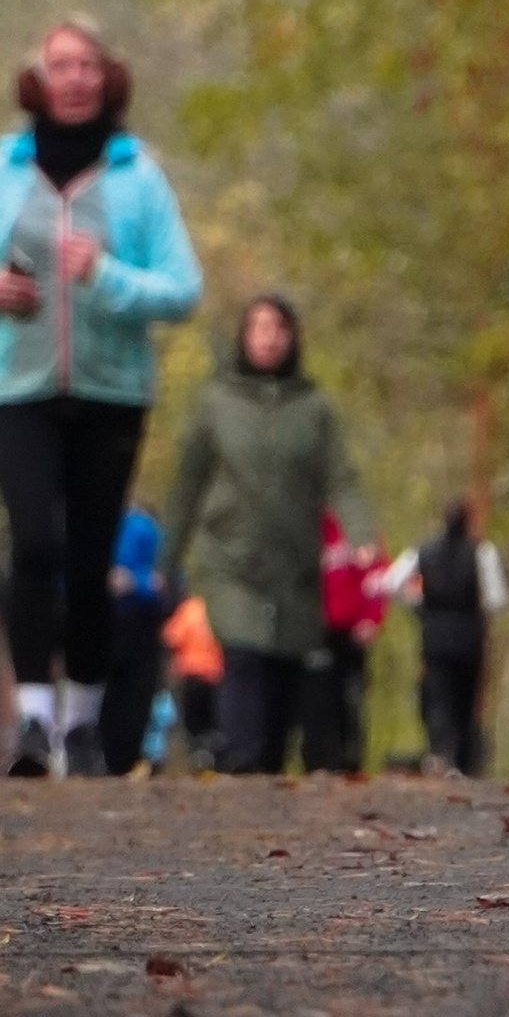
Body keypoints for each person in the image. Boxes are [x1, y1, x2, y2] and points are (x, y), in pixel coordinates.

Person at [0, 17, 203, 776]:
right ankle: (33, 722)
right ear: (38, 79)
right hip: (13, 385)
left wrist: (106, 278)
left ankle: (81, 724)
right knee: (34, 542)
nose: (75, 78)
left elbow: (183, 290)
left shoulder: (138, 178)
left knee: (89, 556)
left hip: (112, 391)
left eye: (87, 64)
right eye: (60, 65)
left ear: (108, 77)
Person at [162, 296, 376, 778]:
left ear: (292, 337)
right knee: (245, 659)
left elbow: (340, 478)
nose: (268, 337)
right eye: (258, 327)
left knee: (283, 676)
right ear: (244, 336)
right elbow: (187, 485)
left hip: (296, 570)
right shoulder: (216, 403)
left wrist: (362, 533)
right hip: (231, 563)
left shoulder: (313, 408)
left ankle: (266, 789)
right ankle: (241, 768)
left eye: (278, 327)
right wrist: (164, 559)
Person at [392, 500, 508, 776]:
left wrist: (418, 603)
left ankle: (441, 756)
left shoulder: (423, 551)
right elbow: (496, 600)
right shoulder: (481, 552)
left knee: (438, 698)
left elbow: (391, 583)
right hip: (469, 638)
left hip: (434, 636)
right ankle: (464, 762)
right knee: (465, 700)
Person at [304, 510, 391, 773]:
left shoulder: (357, 527)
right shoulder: (305, 525)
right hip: (313, 632)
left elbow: (378, 578)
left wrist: (371, 619)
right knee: (316, 698)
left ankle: (349, 759)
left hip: (351, 633)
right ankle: (317, 759)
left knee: (350, 698)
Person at [99, 501, 169, 777]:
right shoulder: (80, 523)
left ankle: (125, 762)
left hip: (140, 627)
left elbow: (163, 581)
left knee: (135, 707)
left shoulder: (143, 527)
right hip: (100, 627)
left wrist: (135, 582)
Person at [161, 586, 223, 768]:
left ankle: (198, 753)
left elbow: (170, 637)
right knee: (213, 721)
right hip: (215, 675)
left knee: (192, 722)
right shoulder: (218, 609)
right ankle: (210, 754)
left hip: (191, 675)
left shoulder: (189, 609)